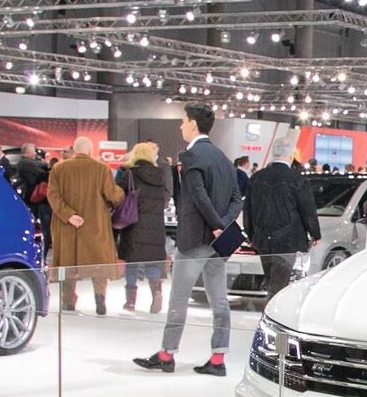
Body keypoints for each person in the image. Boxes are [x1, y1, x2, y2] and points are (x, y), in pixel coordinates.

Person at [134, 102, 240, 377]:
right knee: (220, 301)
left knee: (179, 300)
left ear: (193, 123)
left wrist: (215, 224)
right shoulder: (223, 158)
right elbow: (236, 200)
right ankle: (218, 357)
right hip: (217, 244)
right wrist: (222, 225)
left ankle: (167, 354)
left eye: (183, 121)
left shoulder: (191, 156)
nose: (180, 125)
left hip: (194, 240)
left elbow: (198, 196)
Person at [46, 135, 124, 314]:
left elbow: (53, 196)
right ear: (90, 150)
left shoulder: (58, 168)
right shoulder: (101, 169)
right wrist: (121, 192)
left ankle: (68, 301)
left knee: (68, 263)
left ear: (74, 150)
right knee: (99, 263)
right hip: (95, 224)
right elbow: (112, 194)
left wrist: (69, 215)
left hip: (67, 226)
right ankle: (100, 298)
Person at [242, 153, 320, 302]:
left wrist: (250, 235)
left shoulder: (256, 178)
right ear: (289, 156)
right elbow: (308, 210)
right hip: (287, 238)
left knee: (271, 279)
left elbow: (248, 210)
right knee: (279, 284)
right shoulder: (297, 179)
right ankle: (271, 312)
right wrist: (315, 233)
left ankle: (270, 309)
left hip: (262, 237)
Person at [116, 141, 172, 313]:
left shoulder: (130, 174)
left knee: (132, 262)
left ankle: (130, 302)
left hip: (134, 224)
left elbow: (118, 195)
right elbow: (165, 197)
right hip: (155, 226)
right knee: (152, 262)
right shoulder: (160, 175)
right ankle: (156, 292)